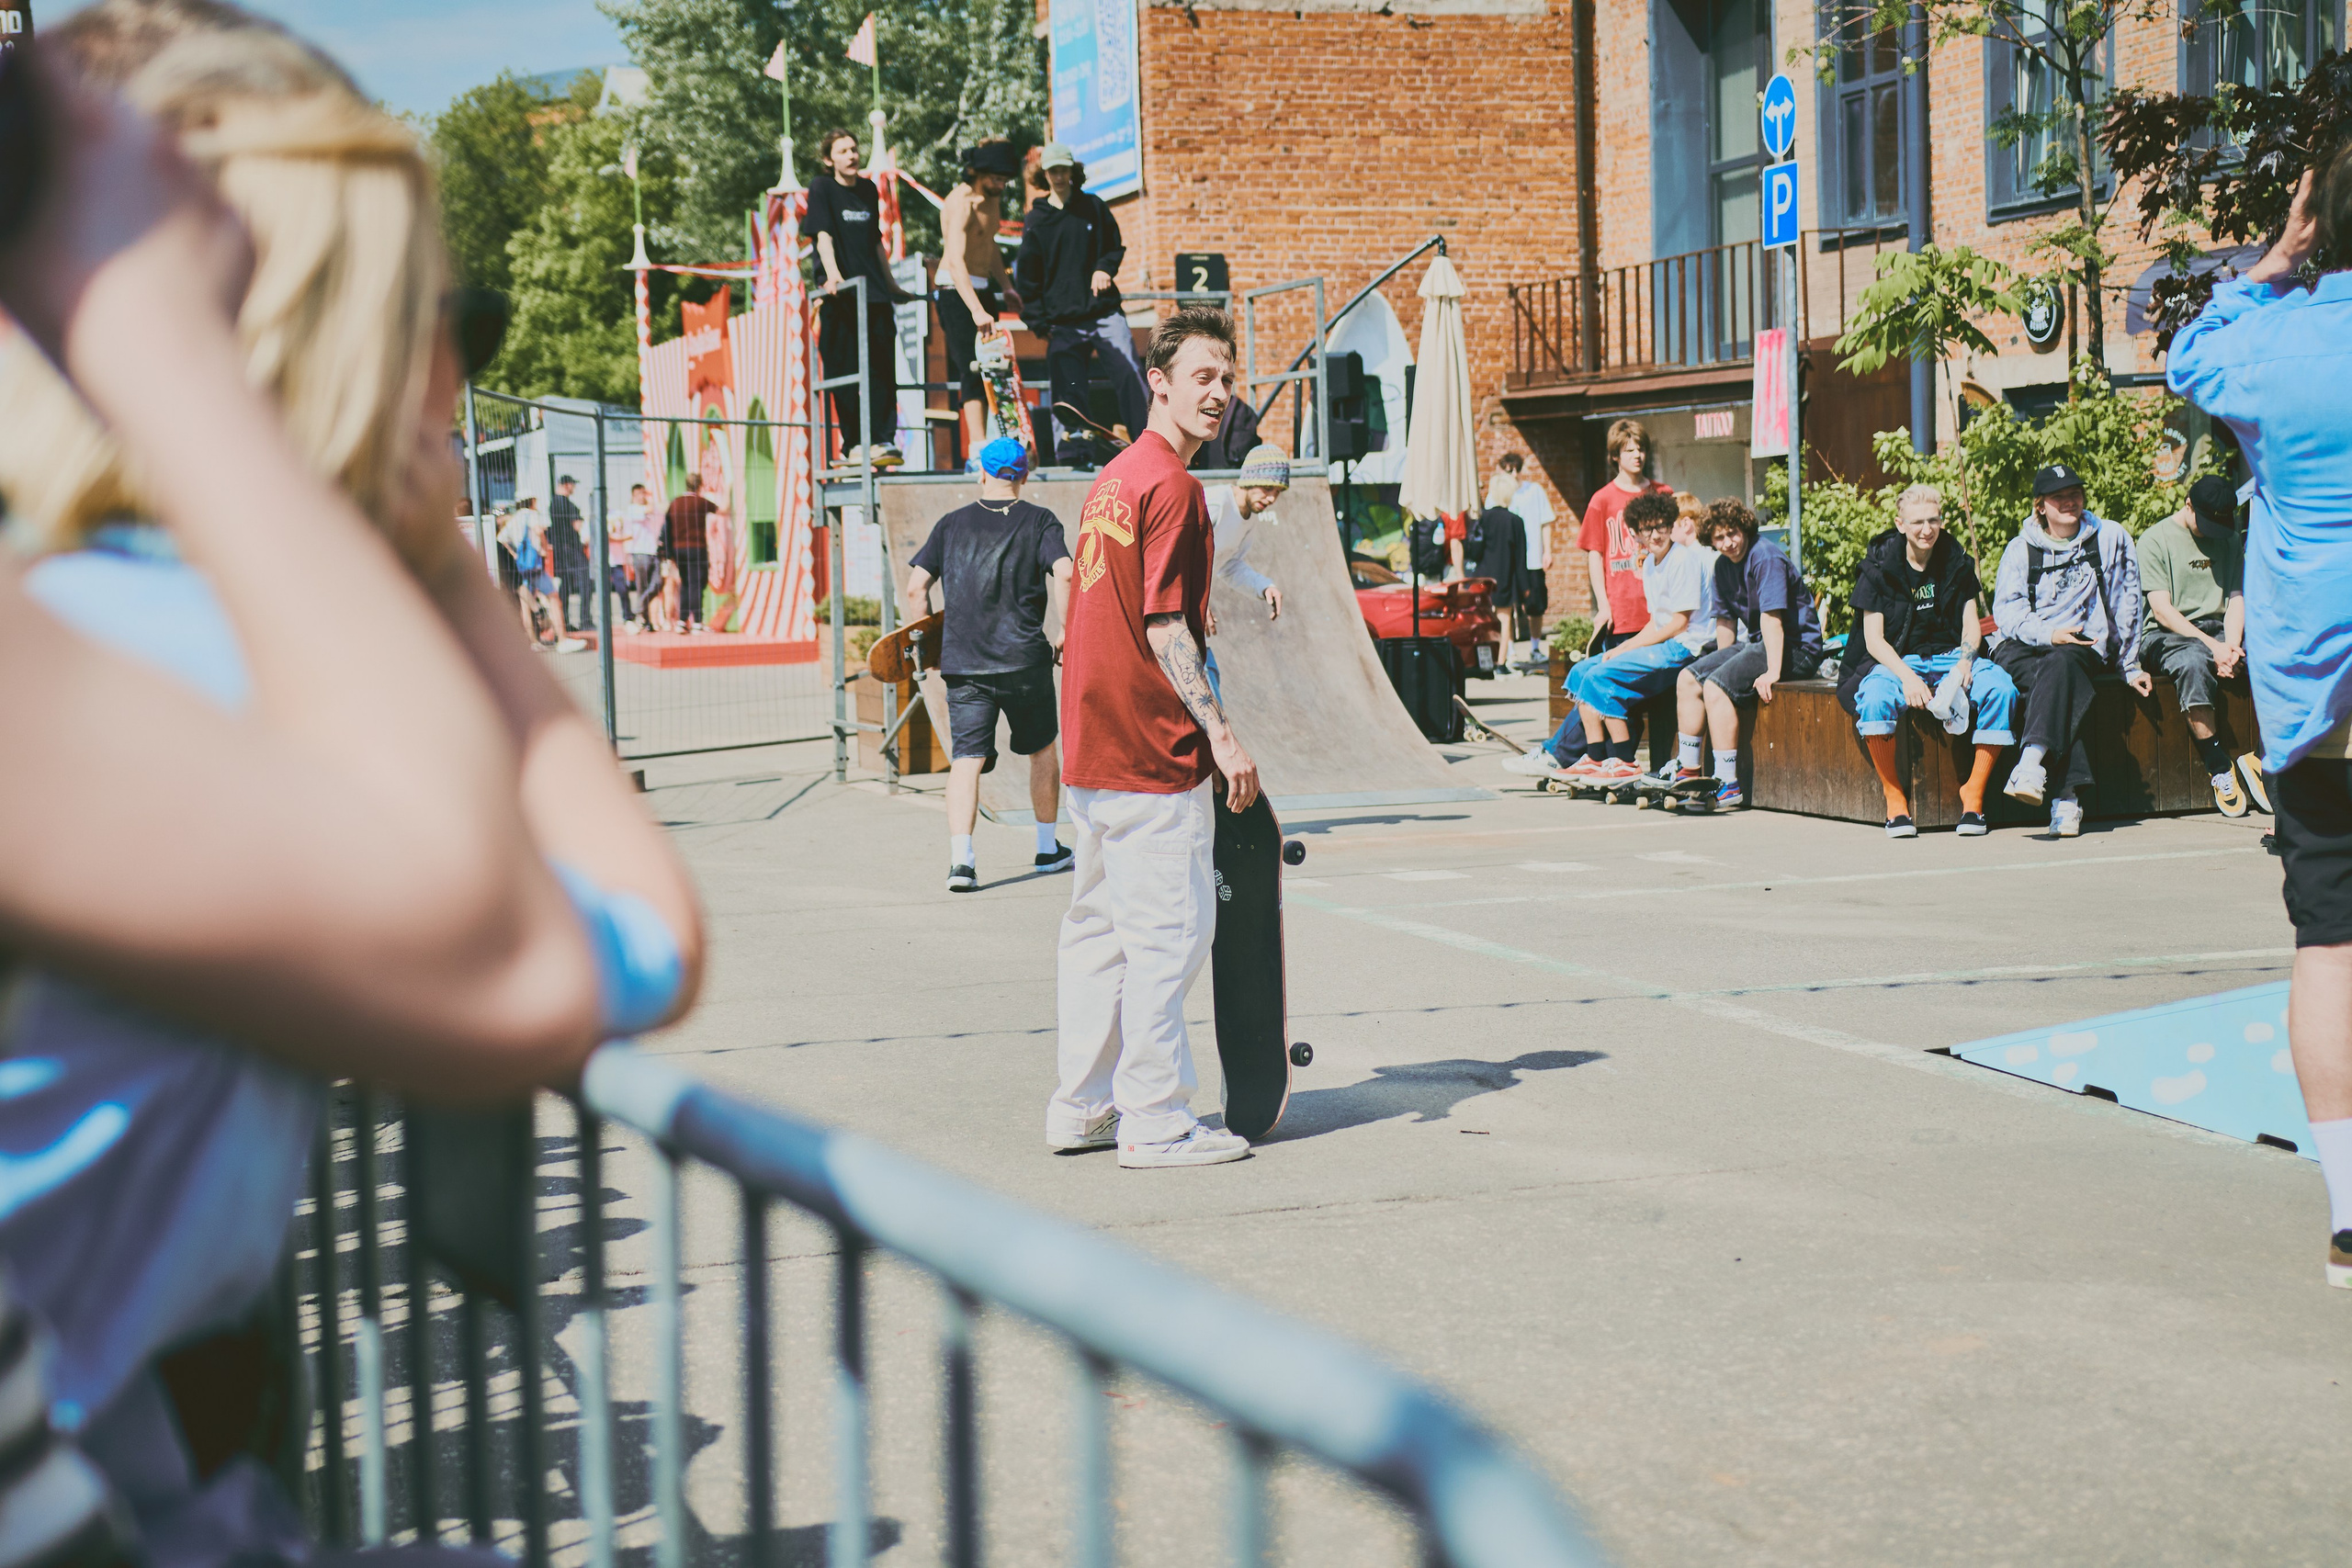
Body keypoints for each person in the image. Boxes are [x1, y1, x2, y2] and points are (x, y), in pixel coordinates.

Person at [0, 6, 705, 1555]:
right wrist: (433, 551)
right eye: (430, 309)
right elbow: (601, 940)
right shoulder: (177, 649)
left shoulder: (73, 614)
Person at [2166, 154, 2352, 1287]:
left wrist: (2273, 259)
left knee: (2329, 941)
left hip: (2313, 691)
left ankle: (2350, 1211)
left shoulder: (2266, 345)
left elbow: (2183, 355)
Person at [1048, 306, 1260, 1169]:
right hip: (1147, 747)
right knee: (1169, 935)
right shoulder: (1171, 484)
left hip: (1090, 746)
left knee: (1098, 932)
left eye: (1228, 380)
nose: (1219, 394)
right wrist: (1223, 735)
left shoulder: (1115, 477)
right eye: (1202, 378)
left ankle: (1084, 1106)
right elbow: (1168, 621)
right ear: (1159, 384)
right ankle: (1155, 1120)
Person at [904, 436, 1075, 891]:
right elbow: (1066, 571)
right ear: (1023, 475)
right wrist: (1067, 630)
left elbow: (915, 589)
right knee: (1042, 751)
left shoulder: (950, 524)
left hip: (965, 666)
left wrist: (928, 643)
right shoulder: (1040, 521)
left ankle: (962, 863)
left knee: (967, 760)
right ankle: (1045, 849)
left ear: (981, 472)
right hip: (1025, 662)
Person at [1839, 485, 2020, 837]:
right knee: (1874, 698)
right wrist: (1907, 677)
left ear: (1942, 520)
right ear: (1900, 524)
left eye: (1933, 520)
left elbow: (1972, 627)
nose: (1926, 529)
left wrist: (1966, 663)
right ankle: (1895, 800)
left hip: (1952, 656)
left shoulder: (1956, 562)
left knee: (2002, 689)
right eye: (1917, 522)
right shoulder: (1877, 568)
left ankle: (1974, 797)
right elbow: (1874, 640)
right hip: (1899, 660)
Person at [1989, 462, 2151, 837]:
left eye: (2075, 493)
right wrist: (2049, 634)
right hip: (2027, 642)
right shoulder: (2020, 550)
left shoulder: (2110, 537)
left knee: (2060, 667)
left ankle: (2031, 766)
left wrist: (2129, 664)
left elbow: (2127, 601)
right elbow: (2007, 612)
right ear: (2040, 506)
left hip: (2083, 643)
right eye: (2058, 497)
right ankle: (2065, 796)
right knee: (2054, 679)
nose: (2069, 501)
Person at [1658, 498, 1826, 808]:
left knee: (1717, 687)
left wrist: (1772, 672)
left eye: (1733, 533)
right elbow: (1725, 620)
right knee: (1689, 678)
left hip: (1795, 647)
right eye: (1719, 538)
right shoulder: (1722, 566)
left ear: (1745, 528)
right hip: (1760, 644)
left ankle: (1727, 783)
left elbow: (1772, 617)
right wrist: (1724, 666)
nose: (1728, 543)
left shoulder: (1764, 557)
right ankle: (1689, 770)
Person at [1555, 492, 1703, 786]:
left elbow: (1679, 623)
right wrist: (1621, 648)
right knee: (1581, 671)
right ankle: (1596, 759)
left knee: (1601, 676)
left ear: (1671, 524)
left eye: (1661, 526)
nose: (1655, 534)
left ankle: (1625, 762)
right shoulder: (1649, 565)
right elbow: (1654, 622)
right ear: (1636, 532)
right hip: (1663, 642)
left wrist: (1625, 650)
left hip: (1686, 646)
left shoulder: (1683, 560)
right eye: (1647, 529)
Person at [1015, 142, 1147, 467]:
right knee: (1068, 390)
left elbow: (1114, 246)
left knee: (1130, 372)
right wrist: (1039, 322)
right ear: (1044, 175)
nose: (1059, 177)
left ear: (1073, 172)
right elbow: (1027, 278)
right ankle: (1072, 452)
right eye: (1053, 171)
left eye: (1064, 170)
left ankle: (1148, 440)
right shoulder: (1037, 220)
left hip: (1103, 313)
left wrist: (1103, 268)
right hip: (1063, 322)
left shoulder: (1093, 208)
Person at [2139, 473, 2256, 814]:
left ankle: (2268, 762)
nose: (2213, 533)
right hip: (2168, 634)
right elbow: (2162, 611)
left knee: (2271, 655)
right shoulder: (2155, 540)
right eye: (2206, 523)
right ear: (2188, 504)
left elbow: (2236, 597)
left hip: (2220, 628)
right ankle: (2219, 765)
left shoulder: (2230, 539)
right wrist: (2213, 647)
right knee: (2192, 662)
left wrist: (2231, 646)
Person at [805, 127, 905, 467]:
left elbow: (876, 242)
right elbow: (823, 235)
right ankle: (854, 443)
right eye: (843, 151)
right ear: (828, 158)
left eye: (854, 149)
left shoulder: (867, 189)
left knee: (881, 369)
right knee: (844, 370)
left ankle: (882, 439)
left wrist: (891, 285)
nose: (851, 155)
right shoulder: (822, 188)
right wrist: (831, 274)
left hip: (874, 294)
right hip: (841, 295)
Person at [936, 140, 1022, 458]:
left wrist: (1006, 286)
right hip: (954, 290)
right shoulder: (960, 202)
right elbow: (955, 261)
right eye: (995, 179)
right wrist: (975, 309)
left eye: (1004, 180)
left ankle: (997, 438)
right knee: (970, 367)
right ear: (978, 173)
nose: (1000, 185)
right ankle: (975, 450)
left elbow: (990, 245)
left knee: (993, 365)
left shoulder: (992, 200)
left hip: (983, 287)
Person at [1203, 443, 1289, 702]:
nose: (1272, 498)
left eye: (1278, 492)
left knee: (1208, 676)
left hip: (1187, 605)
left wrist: (1264, 586)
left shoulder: (1248, 521)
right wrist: (1192, 598)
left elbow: (1229, 566)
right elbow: (1175, 551)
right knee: (1203, 677)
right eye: (1267, 489)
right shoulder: (1215, 503)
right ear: (1251, 479)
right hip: (1165, 600)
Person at [1577, 417, 1671, 648]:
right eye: (1629, 450)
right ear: (1615, 456)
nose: (1637, 455)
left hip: (1660, 608)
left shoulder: (1662, 492)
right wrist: (1603, 605)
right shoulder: (1602, 500)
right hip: (1622, 612)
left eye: (1641, 449)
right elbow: (1595, 555)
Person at [1497, 452, 1556, 667]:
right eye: (1508, 469)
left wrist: (1547, 551)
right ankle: (1510, 650)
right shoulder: (1498, 494)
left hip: (1532, 558)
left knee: (1535, 605)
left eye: (1516, 469)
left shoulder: (1534, 491)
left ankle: (1534, 647)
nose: (1513, 474)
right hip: (1509, 561)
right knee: (1508, 607)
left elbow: (1546, 522)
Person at [1465, 471, 1527, 657]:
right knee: (1504, 618)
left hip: (1483, 575)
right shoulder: (1515, 521)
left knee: (1483, 617)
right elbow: (1520, 558)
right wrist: (1525, 586)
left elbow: (1474, 549)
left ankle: (1484, 657)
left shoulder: (1483, 518)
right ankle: (1501, 661)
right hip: (1505, 576)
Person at [662, 471, 715, 633]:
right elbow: (724, 509)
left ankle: (682, 621)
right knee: (696, 583)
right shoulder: (700, 502)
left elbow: (667, 528)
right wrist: (729, 487)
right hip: (696, 548)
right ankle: (697, 621)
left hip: (678, 549)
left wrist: (668, 553)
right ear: (700, 485)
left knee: (685, 583)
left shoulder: (675, 503)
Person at [548, 471, 592, 632]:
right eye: (572, 484)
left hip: (559, 549)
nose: (573, 487)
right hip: (572, 548)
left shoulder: (552, 503)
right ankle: (585, 620)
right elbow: (577, 526)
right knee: (585, 582)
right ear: (567, 485)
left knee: (564, 586)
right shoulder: (568, 504)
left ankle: (564, 622)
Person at [617, 481, 662, 629]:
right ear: (633, 495)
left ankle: (639, 611)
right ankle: (645, 619)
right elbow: (650, 508)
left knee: (657, 583)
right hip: (639, 553)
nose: (642, 496)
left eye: (644, 493)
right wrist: (650, 498)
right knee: (642, 587)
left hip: (653, 551)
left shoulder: (649, 509)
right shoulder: (632, 510)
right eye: (639, 493)